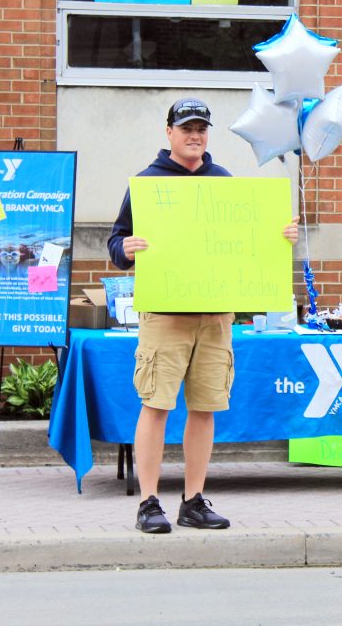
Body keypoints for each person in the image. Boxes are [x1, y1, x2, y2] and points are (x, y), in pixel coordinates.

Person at [108, 98, 299, 533]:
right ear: (169, 132)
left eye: (202, 128)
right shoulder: (148, 183)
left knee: (205, 407)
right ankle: (148, 503)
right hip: (166, 314)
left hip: (215, 317)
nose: (195, 135)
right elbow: (116, 243)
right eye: (186, 127)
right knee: (155, 404)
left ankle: (193, 500)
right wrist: (126, 249)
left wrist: (279, 236)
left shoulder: (224, 182)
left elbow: (248, 241)